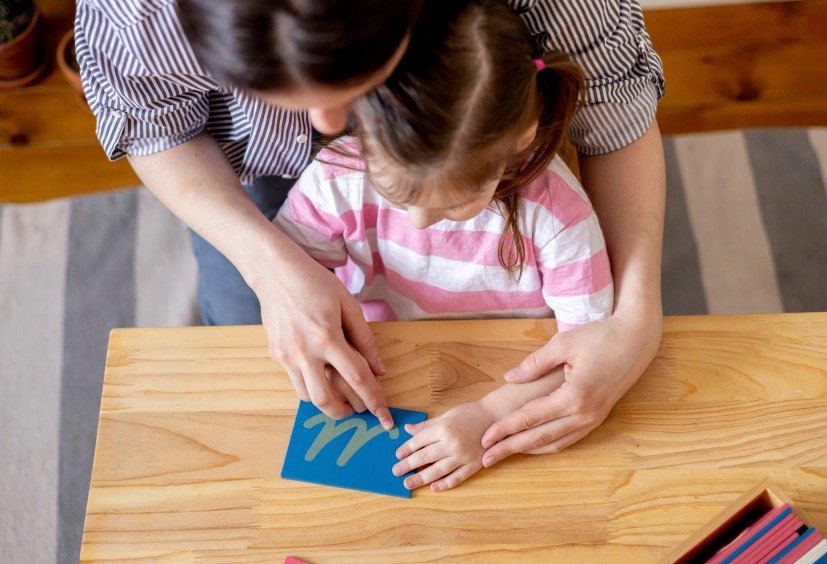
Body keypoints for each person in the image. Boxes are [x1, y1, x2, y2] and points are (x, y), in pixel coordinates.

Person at [75, 0, 665, 461]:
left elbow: (619, 116)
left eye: (353, 85)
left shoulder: (550, 215)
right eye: (273, 89)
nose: (334, 128)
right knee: (248, 344)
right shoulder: (341, 176)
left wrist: (638, 319)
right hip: (265, 182)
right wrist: (267, 267)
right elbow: (153, 128)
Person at [273, 0, 613, 490]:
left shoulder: (559, 216)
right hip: (388, 367)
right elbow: (290, 283)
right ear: (361, 128)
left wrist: (489, 417)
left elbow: (588, 349)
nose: (419, 221)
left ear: (520, 140)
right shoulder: (335, 177)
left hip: (512, 384)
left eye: (455, 203)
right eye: (396, 192)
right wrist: (323, 348)